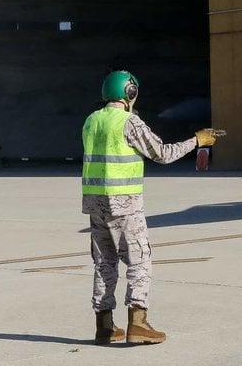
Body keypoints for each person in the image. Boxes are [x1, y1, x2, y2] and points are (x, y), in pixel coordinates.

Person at [83, 70, 220, 344]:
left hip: (95, 205)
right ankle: (138, 323)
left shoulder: (91, 121)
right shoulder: (128, 122)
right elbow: (163, 153)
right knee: (139, 261)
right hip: (125, 204)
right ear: (130, 93)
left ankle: (105, 326)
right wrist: (197, 140)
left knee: (104, 263)